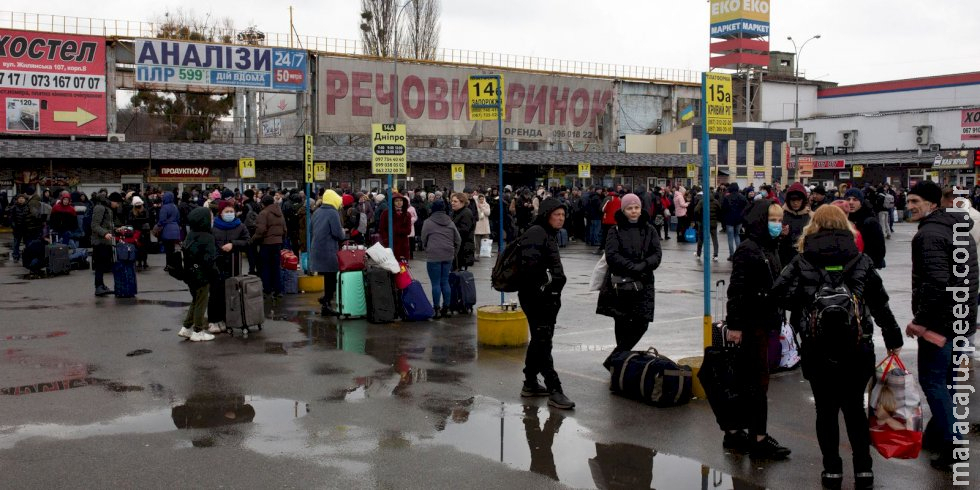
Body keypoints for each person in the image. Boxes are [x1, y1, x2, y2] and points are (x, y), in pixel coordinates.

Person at [771, 205, 903, 489]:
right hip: (857, 347)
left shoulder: (802, 260)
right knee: (855, 408)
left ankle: (832, 470)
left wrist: (805, 304)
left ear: (813, 226)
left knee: (826, 411)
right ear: (846, 227)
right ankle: (864, 470)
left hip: (818, 348)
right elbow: (880, 304)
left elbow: (778, 294)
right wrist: (893, 339)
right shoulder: (861, 259)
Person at [905, 181, 977, 471]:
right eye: (908, 201)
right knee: (949, 383)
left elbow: (936, 283)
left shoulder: (929, 235)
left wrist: (920, 321)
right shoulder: (959, 229)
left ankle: (953, 446)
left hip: (940, 325)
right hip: (962, 320)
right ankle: (939, 435)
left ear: (933, 204)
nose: (909, 206)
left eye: (915, 201)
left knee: (934, 383)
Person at [723, 200, 790, 460]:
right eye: (772, 219)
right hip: (752, 325)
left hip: (763, 322)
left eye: (779, 219)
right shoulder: (748, 249)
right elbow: (736, 290)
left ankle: (736, 432)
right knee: (756, 381)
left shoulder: (768, 247)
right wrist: (736, 325)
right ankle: (758, 438)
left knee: (747, 381)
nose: (777, 224)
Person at [517, 197, 574, 409]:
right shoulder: (537, 233)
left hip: (547, 297)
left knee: (540, 340)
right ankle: (554, 389)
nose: (561, 219)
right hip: (537, 298)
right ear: (546, 215)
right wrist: (546, 286)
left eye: (563, 215)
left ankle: (530, 383)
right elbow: (531, 269)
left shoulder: (548, 233)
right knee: (543, 342)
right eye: (556, 215)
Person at [596, 193, 662, 367]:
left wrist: (644, 265)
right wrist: (632, 267)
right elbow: (612, 255)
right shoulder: (615, 230)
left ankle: (614, 360)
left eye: (636, 208)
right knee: (622, 323)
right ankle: (619, 366)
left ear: (641, 209)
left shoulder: (650, 229)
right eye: (629, 208)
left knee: (642, 322)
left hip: (644, 283)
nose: (634, 211)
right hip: (621, 284)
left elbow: (657, 254)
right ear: (624, 210)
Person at [207, 201, 250, 333]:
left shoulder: (240, 226)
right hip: (217, 263)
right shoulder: (213, 227)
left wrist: (233, 244)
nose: (230, 214)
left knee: (231, 292)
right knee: (215, 292)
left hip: (233, 263)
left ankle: (227, 319)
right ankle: (213, 320)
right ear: (221, 213)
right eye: (227, 211)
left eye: (231, 211)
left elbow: (248, 241)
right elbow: (209, 243)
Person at [178, 207, 218, 342]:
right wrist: (214, 273)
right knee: (202, 301)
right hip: (202, 275)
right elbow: (209, 259)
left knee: (196, 300)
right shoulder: (208, 237)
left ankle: (186, 327)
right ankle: (198, 330)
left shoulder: (191, 234)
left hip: (190, 274)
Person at [421, 199, 461, 319]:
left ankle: (437, 309)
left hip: (434, 255)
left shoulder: (428, 222)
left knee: (435, 283)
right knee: (445, 281)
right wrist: (454, 253)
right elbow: (458, 240)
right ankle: (447, 308)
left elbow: (424, 239)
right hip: (448, 254)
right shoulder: (450, 222)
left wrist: (427, 248)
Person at [309, 190, 346, 317]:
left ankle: (326, 299)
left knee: (327, 277)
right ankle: (327, 304)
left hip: (317, 249)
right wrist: (343, 232)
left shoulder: (317, 211)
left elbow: (311, 229)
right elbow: (338, 233)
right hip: (328, 250)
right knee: (331, 277)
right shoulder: (332, 212)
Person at [251, 194, 286, 297]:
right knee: (276, 267)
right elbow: (284, 228)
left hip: (266, 243)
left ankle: (267, 289)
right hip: (278, 243)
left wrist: (252, 239)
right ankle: (278, 290)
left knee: (265, 267)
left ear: (263, 204)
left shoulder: (263, 213)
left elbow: (260, 230)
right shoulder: (279, 212)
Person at [91, 192, 126, 297]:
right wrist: (105, 233)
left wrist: (116, 229)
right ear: (113, 201)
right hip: (99, 241)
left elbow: (107, 226)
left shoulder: (108, 209)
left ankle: (101, 285)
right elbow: (94, 225)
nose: (118, 205)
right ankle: (98, 287)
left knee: (102, 265)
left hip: (105, 241)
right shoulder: (100, 208)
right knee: (99, 265)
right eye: (118, 203)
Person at [844, 188, 886, 268]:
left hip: (865, 268)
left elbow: (879, 251)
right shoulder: (841, 220)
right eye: (848, 199)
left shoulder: (870, 222)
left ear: (861, 202)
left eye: (855, 199)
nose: (851, 202)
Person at [778, 183, 811, 267]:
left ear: (803, 200)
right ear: (788, 200)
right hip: (784, 256)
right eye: (793, 200)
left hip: (804, 257)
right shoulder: (780, 213)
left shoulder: (811, 216)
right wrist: (780, 234)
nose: (795, 203)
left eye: (798, 200)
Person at [721, 183, 748, 260]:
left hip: (729, 220)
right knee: (737, 236)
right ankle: (738, 254)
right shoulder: (742, 197)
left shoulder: (727, 198)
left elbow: (723, 208)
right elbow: (746, 207)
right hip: (739, 220)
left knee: (730, 238)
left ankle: (731, 255)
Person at [450, 193, 476, 270]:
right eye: (452, 201)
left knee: (460, 275)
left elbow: (464, 231)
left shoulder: (466, 213)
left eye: (455, 201)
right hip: (457, 249)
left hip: (463, 249)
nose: (452, 203)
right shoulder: (455, 213)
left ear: (462, 202)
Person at [157, 192, 182, 272]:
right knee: (172, 248)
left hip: (167, 230)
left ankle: (168, 265)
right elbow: (178, 218)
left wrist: (158, 226)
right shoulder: (175, 207)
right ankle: (173, 264)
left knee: (168, 249)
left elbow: (162, 220)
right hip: (176, 229)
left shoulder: (164, 207)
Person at [693, 190, 721, 261]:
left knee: (701, 238)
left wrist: (699, 218)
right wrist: (716, 218)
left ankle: (698, 254)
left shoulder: (702, 201)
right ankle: (715, 255)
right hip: (713, 223)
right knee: (714, 239)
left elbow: (696, 210)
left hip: (704, 222)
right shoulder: (716, 202)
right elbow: (720, 210)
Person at [127, 196, 153, 270]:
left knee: (138, 247)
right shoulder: (145, 211)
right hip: (144, 231)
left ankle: (140, 262)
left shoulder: (132, 212)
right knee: (143, 247)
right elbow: (148, 220)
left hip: (137, 231)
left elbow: (130, 221)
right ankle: (143, 262)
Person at [475, 194, 492, 259]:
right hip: (478, 224)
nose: (481, 200)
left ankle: (486, 253)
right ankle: (477, 253)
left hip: (485, 224)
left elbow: (488, 213)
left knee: (486, 240)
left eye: (482, 199)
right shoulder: (476, 205)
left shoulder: (487, 205)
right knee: (478, 240)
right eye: (480, 199)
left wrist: (482, 208)